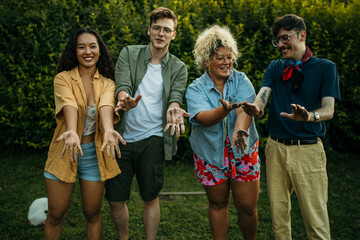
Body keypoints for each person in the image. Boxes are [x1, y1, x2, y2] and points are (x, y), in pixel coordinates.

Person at [242, 14, 340, 240]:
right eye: (277, 40)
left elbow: (329, 110)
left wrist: (308, 117)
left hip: (308, 150)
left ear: (302, 35)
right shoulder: (275, 67)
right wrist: (255, 108)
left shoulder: (326, 68)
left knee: (315, 221)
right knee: (279, 219)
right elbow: (262, 96)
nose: (280, 45)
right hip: (275, 149)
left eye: (285, 38)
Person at [105, 7, 189, 240]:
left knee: (150, 196)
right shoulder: (129, 53)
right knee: (115, 198)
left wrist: (174, 107)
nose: (161, 34)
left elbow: (176, 95)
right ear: (149, 30)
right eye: (157, 28)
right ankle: (124, 237)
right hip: (122, 136)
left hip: (154, 138)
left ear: (174, 34)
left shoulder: (179, 67)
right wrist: (124, 99)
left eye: (167, 30)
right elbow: (121, 84)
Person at [43, 27, 124, 240]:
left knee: (92, 213)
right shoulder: (62, 78)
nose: (87, 51)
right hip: (64, 150)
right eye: (81, 47)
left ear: (100, 50)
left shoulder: (108, 82)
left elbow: (106, 106)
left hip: (95, 154)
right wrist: (71, 131)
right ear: (75, 51)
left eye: (92, 46)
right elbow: (68, 104)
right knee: (56, 214)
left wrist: (108, 130)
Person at [185, 25, 260, 240]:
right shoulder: (195, 88)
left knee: (247, 206)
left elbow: (245, 110)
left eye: (229, 57)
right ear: (207, 60)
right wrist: (224, 109)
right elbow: (202, 118)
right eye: (220, 57)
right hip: (210, 153)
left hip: (242, 148)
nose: (226, 62)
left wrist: (238, 131)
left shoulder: (241, 79)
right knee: (218, 203)